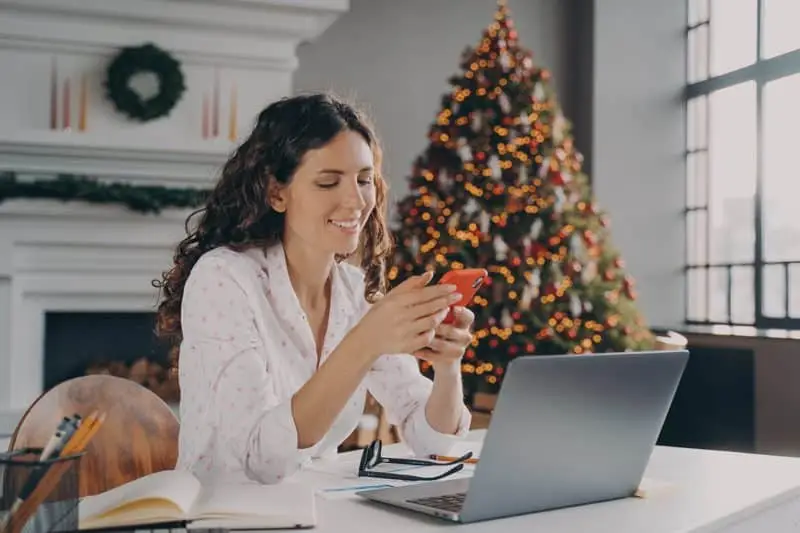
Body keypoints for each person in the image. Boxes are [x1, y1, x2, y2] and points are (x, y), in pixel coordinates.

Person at [154, 93, 474, 485]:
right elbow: (261, 461)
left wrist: (447, 367)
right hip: (222, 514)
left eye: (364, 180)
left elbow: (435, 445)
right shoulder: (223, 278)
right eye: (328, 182)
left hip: (316, 511)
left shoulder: (354, 293)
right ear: (277, 193)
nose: (356, 201)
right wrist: (363, 343)